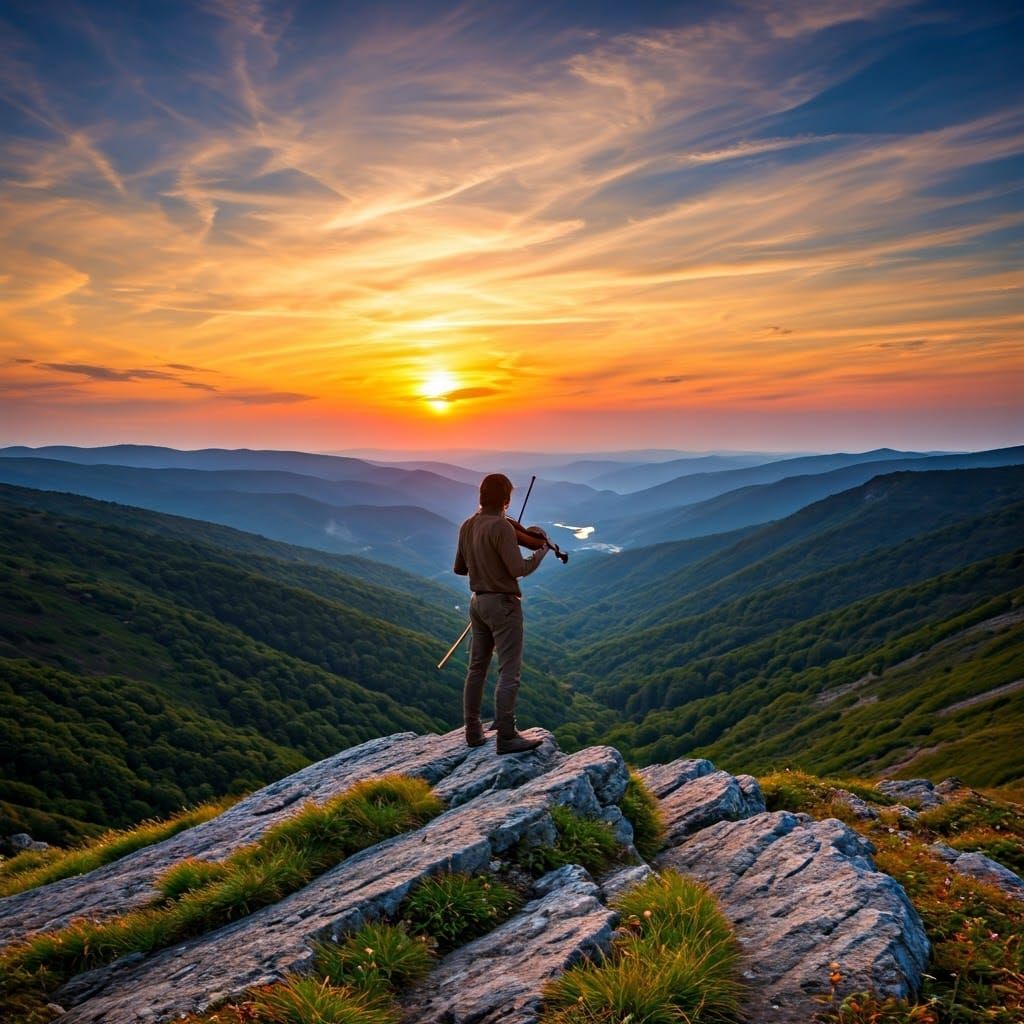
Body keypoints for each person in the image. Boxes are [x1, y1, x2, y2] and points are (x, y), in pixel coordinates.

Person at [454, 473, 549, 754]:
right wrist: (541, 551)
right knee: (509, 671)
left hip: (477, 603)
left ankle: (473, 731)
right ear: (506, 500)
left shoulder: (468, 525)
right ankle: (506, 736)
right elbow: (519, 569)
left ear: (481, 496)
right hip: (503, 605)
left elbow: (460, 568)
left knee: (476, 669)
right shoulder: (501, 527)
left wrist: (483, 565)